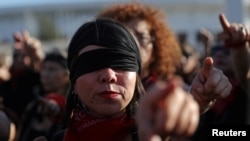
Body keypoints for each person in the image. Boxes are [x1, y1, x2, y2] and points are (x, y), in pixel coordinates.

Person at [97, 2, 232, 114]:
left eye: (140, 36)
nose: (133, 43)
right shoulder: (94, 83)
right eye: (124, 35)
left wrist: (199, 99)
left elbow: (187, 100)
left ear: (155, 46)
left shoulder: (166, 88)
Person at [16, 49, 69, 141]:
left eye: (52, 69)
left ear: (66, 75)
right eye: (43, 68)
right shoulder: (33, 105)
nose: (45, 74)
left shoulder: (72, 109)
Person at [0, 31, 44, 125]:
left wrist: (35, 52)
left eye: (23, 55)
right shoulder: (7, 80)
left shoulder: (35, 78)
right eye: (16, 55)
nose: (19, 59)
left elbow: (43, 68)